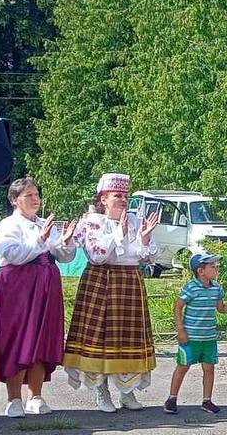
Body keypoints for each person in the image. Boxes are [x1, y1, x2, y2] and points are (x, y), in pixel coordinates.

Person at [63, 172, 162, 412]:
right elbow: (97, 255)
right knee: (101, 337)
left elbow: (148, 257)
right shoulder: (92, 222)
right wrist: (119, 234)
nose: (123, 200)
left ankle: (126, 392)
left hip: (130, 280)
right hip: (102, 280)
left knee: (127, 336)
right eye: (117, 195)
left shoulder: (136, 221)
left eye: (125, 195)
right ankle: (101, 390)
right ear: (103, 199)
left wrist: (145, 239)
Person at [0, 176, 79, 418]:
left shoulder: (44, 223)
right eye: (29, 195)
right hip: (18, 287)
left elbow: (64, 256)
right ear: (15, 199)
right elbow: (13, 255)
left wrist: (66, 241)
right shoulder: (9, 224)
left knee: (41, 339)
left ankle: (35, 396)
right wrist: (41, 240)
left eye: (37, 194)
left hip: (46, 286)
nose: (35, 199)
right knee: (18, 338)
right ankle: (13, 399)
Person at [163, 252, 227, 415]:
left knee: (209, 369)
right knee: (183, 367)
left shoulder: (216, 288)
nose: (216, 269)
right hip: (190, 338)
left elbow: (221, 308)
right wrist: (180, 330)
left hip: (209, 338)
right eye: (212, 267)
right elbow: (178, 306)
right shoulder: (191, 288)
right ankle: (172, 398)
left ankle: (207, 400)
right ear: (201, 271)